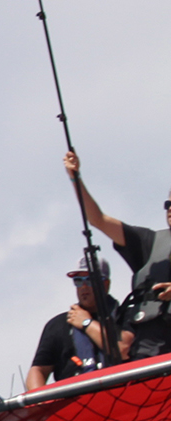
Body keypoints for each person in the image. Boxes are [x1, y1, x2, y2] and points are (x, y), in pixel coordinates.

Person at [64, 151, 171, 360]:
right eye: (168, 204)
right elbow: (98, 220)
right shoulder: (148, 242)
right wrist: (75, 179)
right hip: (147, 358)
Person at [26, 258, 114, 391]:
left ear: (105, 284)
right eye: (78, 281)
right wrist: (40, 403)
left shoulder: (123, 316)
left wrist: (86, 323)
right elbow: (38, 370)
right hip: (73, 404)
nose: (84, 287)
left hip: (118, 395)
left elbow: (120, 349)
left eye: (89, 280)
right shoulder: (58, 325)